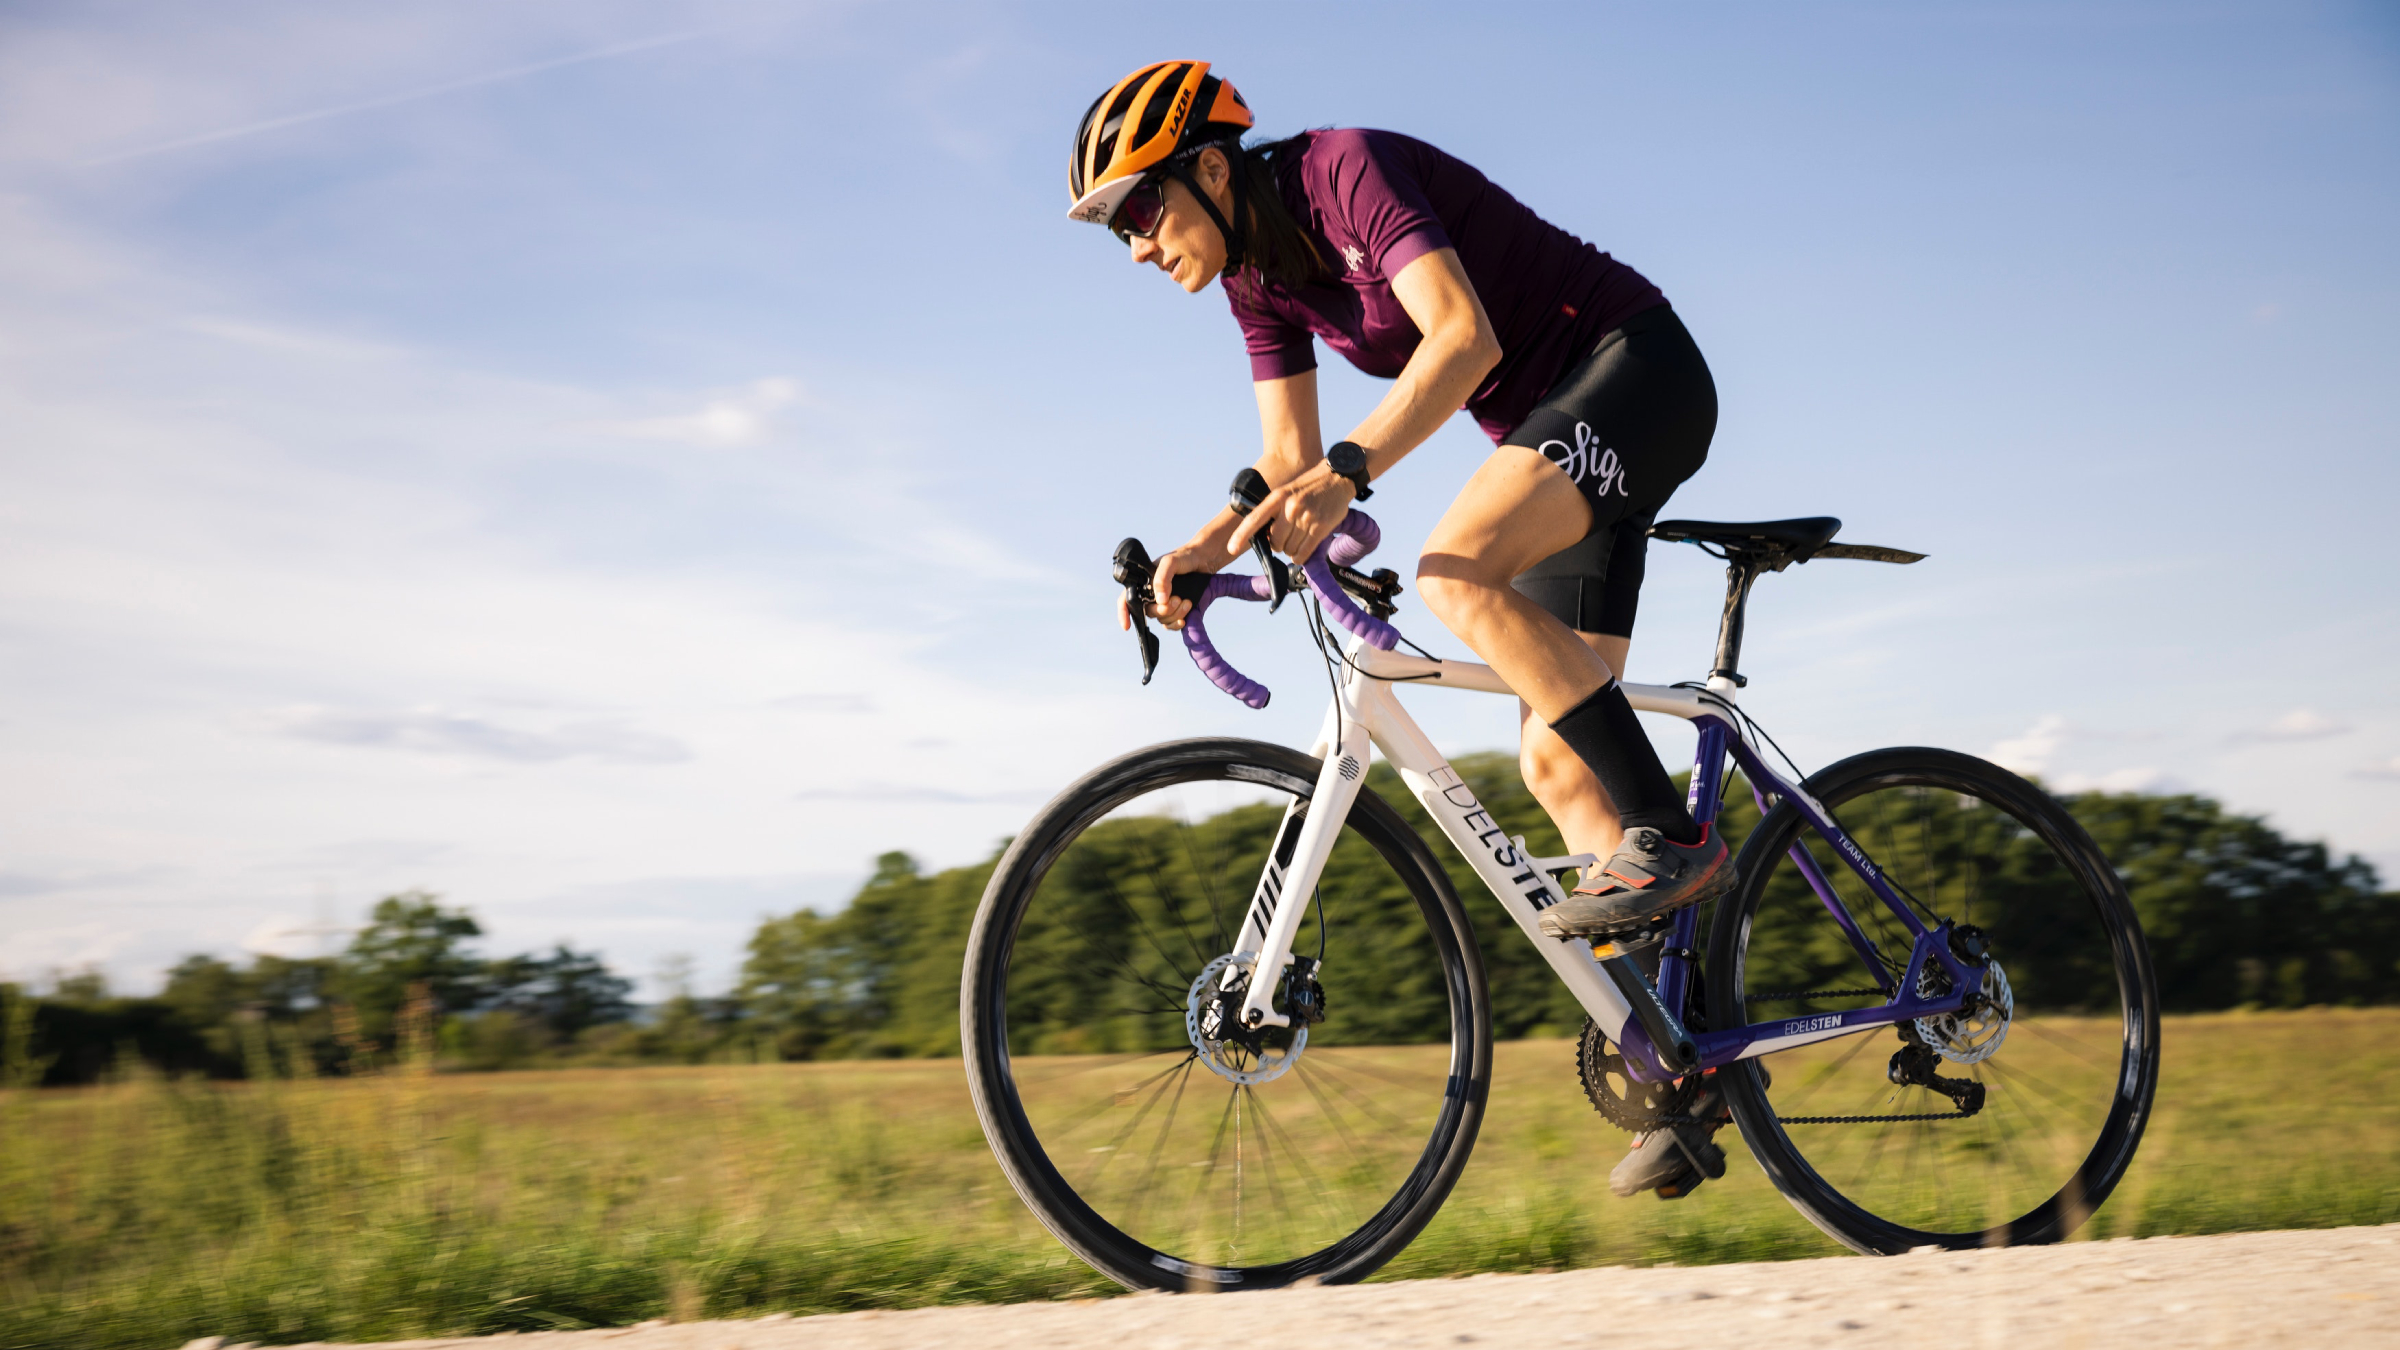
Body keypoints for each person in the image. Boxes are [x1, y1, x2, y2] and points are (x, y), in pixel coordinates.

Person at [1071, 61, 1732, 1197]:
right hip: (1550, 431)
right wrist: (1200, 551)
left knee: (1453, 569)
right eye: (1119, 229)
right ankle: (1695, 1058)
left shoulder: (1344, 172)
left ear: (1213, 170)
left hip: (1636, 371)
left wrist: (1355, 468)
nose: (1137, 245)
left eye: (1143, 208)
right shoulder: (1257, 281)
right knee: (1558, 764)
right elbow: (1284, 464)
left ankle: (1678, 837)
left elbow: (1460, 337)